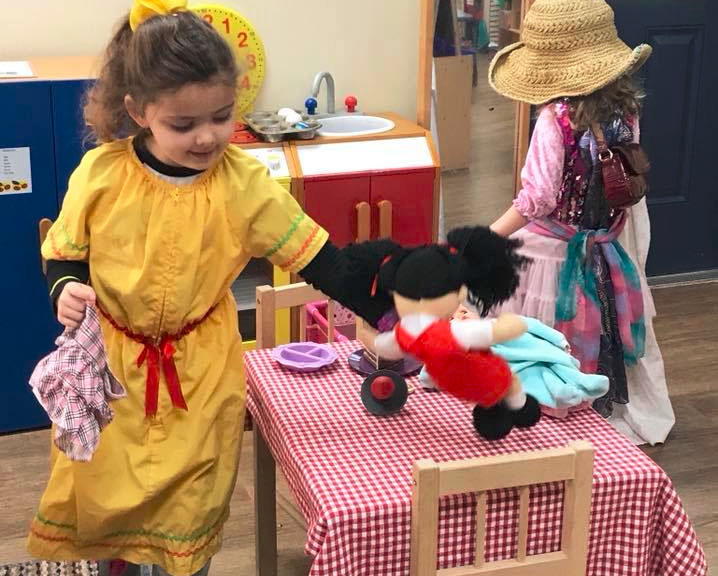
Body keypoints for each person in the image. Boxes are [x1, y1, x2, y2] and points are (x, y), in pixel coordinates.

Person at [28, 2, 398, 574]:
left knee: (189, 508)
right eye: (184, 125)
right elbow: (64, 254)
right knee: (107, 505)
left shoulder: (245, 185)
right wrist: (66, 289)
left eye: (222, 117)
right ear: (138, 110)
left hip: (200, 375)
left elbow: (325, 264)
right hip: (113, 374)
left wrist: (397, 309)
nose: (207, 137)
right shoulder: (100, 174)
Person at [487, 0, 674, 445]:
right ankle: (594, 401)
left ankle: (546, 409)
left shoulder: (556, 120)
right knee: (602, 323)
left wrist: (484, 237)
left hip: (554, 251)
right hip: (606, 247)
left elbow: (537, 200)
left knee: (528, 327)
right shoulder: (627, 113)